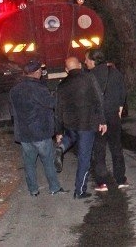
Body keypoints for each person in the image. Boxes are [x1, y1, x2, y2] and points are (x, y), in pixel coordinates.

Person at [8, 58, 65, 197]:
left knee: (29, 163)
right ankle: (54, 188)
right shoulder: (39, 88)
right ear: (36, 72)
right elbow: (52, 104)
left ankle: (33, 190)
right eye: (40, 71)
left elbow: (12, 112)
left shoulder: (14, 90)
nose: (41, 73)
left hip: (24, 134)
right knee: (48, 162)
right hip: (40, 132)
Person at [54, 56, 107, 199]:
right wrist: (102, 120)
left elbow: (58, 110)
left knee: (70, 137)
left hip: (70, 123)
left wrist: (58, 131)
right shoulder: (89, 78)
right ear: (79, 65)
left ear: (66, 70)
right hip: (87, 123)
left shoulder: (62, 85)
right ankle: (80, 190)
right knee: (84, 158)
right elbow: (99, 98)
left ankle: (62, 147)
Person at [84, 48, 128, 191]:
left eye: (86, 59)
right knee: (116, 147)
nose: (85, 62)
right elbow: (122, 93)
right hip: (113, 115)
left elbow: (88, 100)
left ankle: (102, 183)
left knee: (99, 150)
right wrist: (119, 109)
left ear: (93, 60)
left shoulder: (90, 76)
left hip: (98, 117)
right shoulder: (115, 73)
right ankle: (121, 179)